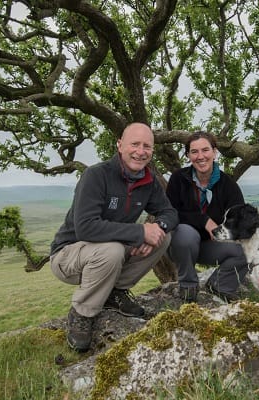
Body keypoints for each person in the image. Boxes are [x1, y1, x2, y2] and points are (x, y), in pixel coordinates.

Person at [49, 122, 178, 352]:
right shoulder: (96, 175)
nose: (141, 151)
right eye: (134, 144)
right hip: (68, 255)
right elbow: (86, 228)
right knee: (114, 250)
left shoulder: (148, 180)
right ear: (120, 145)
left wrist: (156, 228)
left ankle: (114, 293)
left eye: (147, 146)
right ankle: (82, 312)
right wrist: (140, 233)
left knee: (162, 237)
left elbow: (169, 213)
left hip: (108, 253)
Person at [166, 131, 248, 303]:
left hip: (210, 246)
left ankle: (220, 286)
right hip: (181, 245)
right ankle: (188, 286)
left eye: (205, 150)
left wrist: (225, 232)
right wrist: (204, 220)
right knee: (185, 233)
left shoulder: (228, 185)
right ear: (188, 155)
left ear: (214, 152)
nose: (200, 156)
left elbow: (238, 219)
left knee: (245, 251)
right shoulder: (178, 179)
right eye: (194, 152)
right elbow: (170, 213)